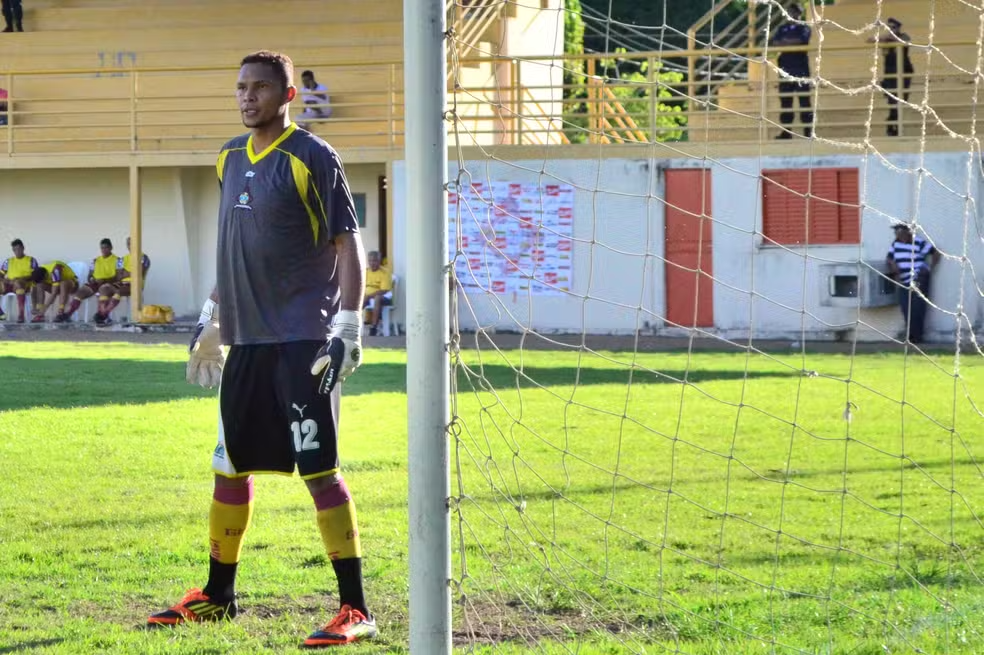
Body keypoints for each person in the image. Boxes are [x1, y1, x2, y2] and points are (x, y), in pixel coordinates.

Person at [147, 51, 376, 648]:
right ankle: (218, 594)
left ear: (287, 95)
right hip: (246, 340)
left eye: (259, 88)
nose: (246, 97)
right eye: (240, 87)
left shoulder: (312, 156)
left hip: (304, 340)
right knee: (228, 465)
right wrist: (213, 315)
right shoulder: (228, 158)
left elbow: (348, 244)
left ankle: (354, 607)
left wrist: (350, 324)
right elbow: (237, 248)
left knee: (320, 470)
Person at [886, 223, 940, 344]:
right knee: (906, 308)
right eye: (896, 233)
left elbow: (936, 254)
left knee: (918, 308)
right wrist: (893, 266)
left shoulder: (919, 242)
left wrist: (929, 268)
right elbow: (889, 258)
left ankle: (917, 337)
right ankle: (910, 336)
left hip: (918, 280)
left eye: (901, 233)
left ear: (908, 232)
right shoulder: (895, 244)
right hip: (903, 281)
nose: (898, 235)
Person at [771, 3, 813, 139]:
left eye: (794, 12)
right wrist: (789, 42)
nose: (791, 14)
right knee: (786, 102)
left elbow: (801, 40)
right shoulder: (782, 28)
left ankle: (808, 132)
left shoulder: (804, 27)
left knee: (804, 102)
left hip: (800, 69)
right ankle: (786, 132)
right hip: (785, 69)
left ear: (799, 13)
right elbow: (775, 42)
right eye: (789, 11)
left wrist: (785, 42)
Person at [868, 18, 914, 137]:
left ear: (898, 28)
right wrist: (883, 38)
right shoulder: (886, 39)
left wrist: (887, 38)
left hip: (903, 73)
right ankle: (893, 126)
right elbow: (870, 40)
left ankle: (893, 124)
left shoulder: (903, 36)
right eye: (888, 28)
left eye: (893, 27)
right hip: (890, 75)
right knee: (893, 101)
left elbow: (905, 41)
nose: (890, 30)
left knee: (901, 100)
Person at [63, 238, 120, 325]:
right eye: (102, 248)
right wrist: (92, 279)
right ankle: (68, 315)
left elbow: (118, 277)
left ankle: (103, 316)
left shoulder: (118, 260)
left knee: (104, 289)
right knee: (80, 292)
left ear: (111, 248)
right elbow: (90, 275)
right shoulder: (95, 260)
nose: (104, 250)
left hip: (109, 283)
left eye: (106, 248)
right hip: (96, 283)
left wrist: (105, 280)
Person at [102, 236, 151, 322]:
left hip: (136, 285)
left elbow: (140, 273)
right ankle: (105, 316)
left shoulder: (144, 257)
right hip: (122, 284)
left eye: (132, 243)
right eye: (128, 244)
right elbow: (118, 276)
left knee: (118, 290)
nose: (130, 246)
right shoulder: (122, 259)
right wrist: (132, 272)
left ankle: (103, 314)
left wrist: (125, 273)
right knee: (105, 289)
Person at [0, 238, 38, 322]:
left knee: (18, 282)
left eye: (18, 249)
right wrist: (6, 281)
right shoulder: (8, 261)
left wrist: (22, 278)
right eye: (14, 250)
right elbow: (1, 274)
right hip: (9, 284)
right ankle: (1, 313)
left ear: (23, 248)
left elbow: (36, 275)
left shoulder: (31, 260)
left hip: (24, 285)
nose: (17, 251)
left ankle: (21, 315)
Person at [363, 251, 392, 336]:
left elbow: (384, 290)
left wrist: (368, 296)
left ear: (379, 261)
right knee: (356, 300)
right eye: (370, 260)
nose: (372, 263)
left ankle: (373, 327)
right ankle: (349, 325)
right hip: (368, 296)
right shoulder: (366, 271)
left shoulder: (385, 272)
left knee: (377, 298)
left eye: (375, 260)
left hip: (383, 296)